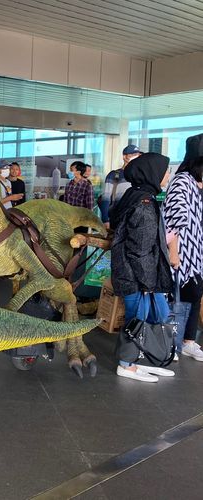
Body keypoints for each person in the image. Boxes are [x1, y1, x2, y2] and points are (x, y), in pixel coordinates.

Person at [109, 152, 174, 382]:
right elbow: (140, 250)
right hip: (136, 276)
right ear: (153, 174)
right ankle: (126, 365)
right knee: (136, 318)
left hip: (135, 274)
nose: (168, 175)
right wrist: (148, 283)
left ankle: (138, 359)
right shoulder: (144, 204)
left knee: (148, 316)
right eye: (166, 171)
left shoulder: (135, 195)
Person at [163, 134, 203, 362]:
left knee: (195, 293)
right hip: (183, 250)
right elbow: (173, 219)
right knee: (178, 296)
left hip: (197, 250)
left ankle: (188, 341)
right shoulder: (182, 181)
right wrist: (174, 251)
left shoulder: (196, 181)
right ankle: (170, 341)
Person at [100, 145, 142, 225]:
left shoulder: (140, 176)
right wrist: (105, 220)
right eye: (132, 155)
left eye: (137, 155)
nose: (136, 157)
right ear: (124, 156)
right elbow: (105, 198)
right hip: (116, 218)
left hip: (134, 220)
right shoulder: (114, 175)